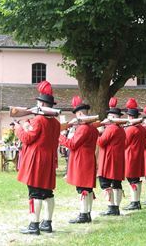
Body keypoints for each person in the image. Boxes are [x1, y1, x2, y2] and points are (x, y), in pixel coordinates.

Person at [15, 80, 60, 235]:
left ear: (41, 104)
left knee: (34, 192)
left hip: (37, 159)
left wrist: (19, 128)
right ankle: (47, 223)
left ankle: (34, 225)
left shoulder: (38, 120)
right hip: (49, 159)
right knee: (47, 192)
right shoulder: (55, 122)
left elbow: (27, 139)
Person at [59, 96, 98, 224]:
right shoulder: (92, 128)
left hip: (81, 160)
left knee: (82, 189)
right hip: (88, 159)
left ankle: (83, 215)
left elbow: (73, 144)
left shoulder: (83, 128)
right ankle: (87, 214)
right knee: (87, 188)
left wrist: (61, 138)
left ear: (80, 114)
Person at [97, 97, 126, 216]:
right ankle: (116, 207)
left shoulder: (111, 128)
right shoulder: (121, 129)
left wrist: (98, 133)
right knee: (117, 183)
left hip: (109, 157)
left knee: (105, 182)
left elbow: (101, 142)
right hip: (118, 157)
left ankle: (111, 207)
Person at [123, 98, 146, 211]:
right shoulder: (142, 128)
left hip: (130, 156)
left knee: (132, 179)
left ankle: (135, 202)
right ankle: (136, 201)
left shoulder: (130, 129)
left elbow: (125, 143)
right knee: (136, 179)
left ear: (131, 117)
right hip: (139, 155)